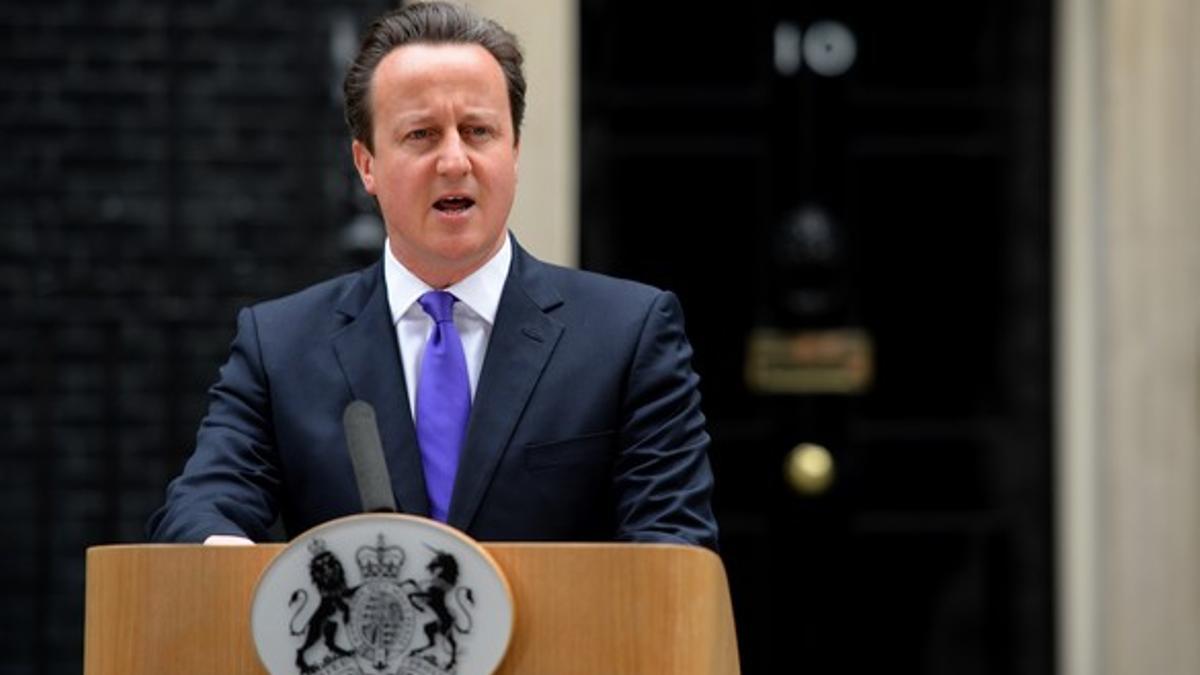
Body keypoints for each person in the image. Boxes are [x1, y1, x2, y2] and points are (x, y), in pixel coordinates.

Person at [146, 1, 717, 550]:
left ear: (514, 149)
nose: (453, 162)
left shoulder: (628, 335)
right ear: (366, 164)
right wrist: (236, 570)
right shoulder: (281, 346)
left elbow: (671, 547)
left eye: (478, 132)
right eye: (421, 135)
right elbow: (202, 507)